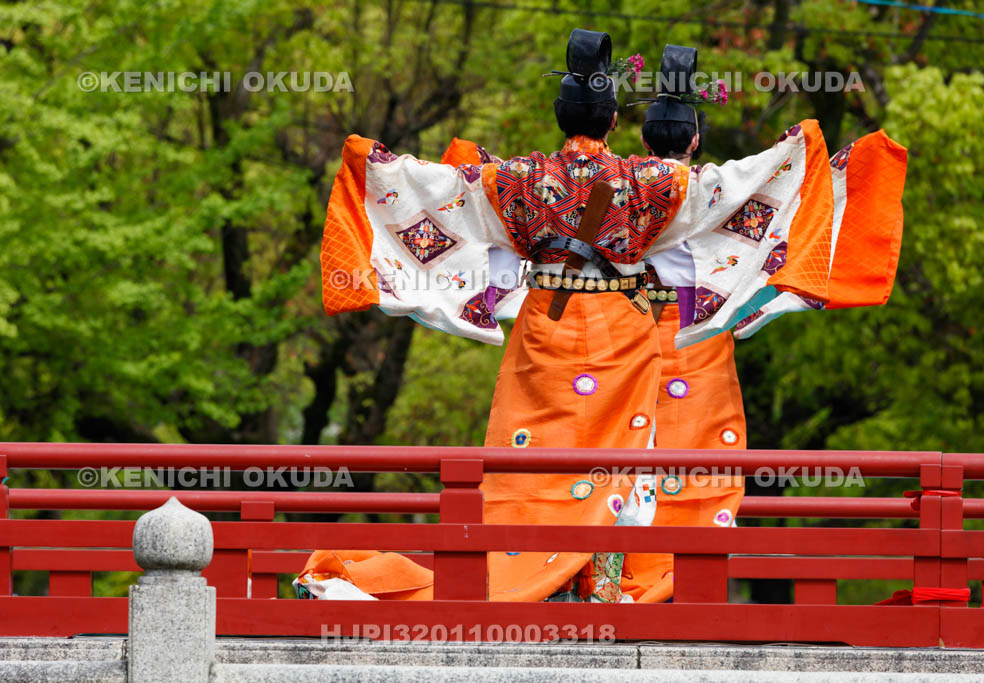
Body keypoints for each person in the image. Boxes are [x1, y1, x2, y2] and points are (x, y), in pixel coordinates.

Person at [307, 34, 907, 603]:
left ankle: (538, 575)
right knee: (626, 461)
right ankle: (605, 584)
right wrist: (796, 156)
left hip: (545, 327)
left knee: (534, 460)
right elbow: (735, 194)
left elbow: (435, 192)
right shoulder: (655, 182)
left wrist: (374, 165)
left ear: (561, 115)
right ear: (616, 123)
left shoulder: (516, 180)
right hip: (625, 329)